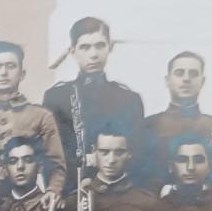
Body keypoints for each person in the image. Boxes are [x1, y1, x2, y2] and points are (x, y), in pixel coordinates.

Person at [42, 17, 144, 193]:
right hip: (71, 191)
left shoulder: (128, 99)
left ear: (110, 47)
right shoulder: (56, 98)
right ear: (72, 51)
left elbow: (136, 152)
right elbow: (51, 156)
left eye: (100, 46)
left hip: (117, 192)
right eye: (85, 47)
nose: (94, 54)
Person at [139, 51, 212, 200]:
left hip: (208, 208)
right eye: (179, 73)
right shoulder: (149, 125)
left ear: (202, 81)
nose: (186, 79)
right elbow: (137, 172)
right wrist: (160, 193)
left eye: (193, 74)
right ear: (167, 80)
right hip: (159, 207)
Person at [0, 41, 66, 197]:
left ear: (22, 73)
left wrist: (52, 190)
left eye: (11, 66)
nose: (4, 72)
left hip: (23, 199)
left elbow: (56, 165)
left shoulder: (40, 115)